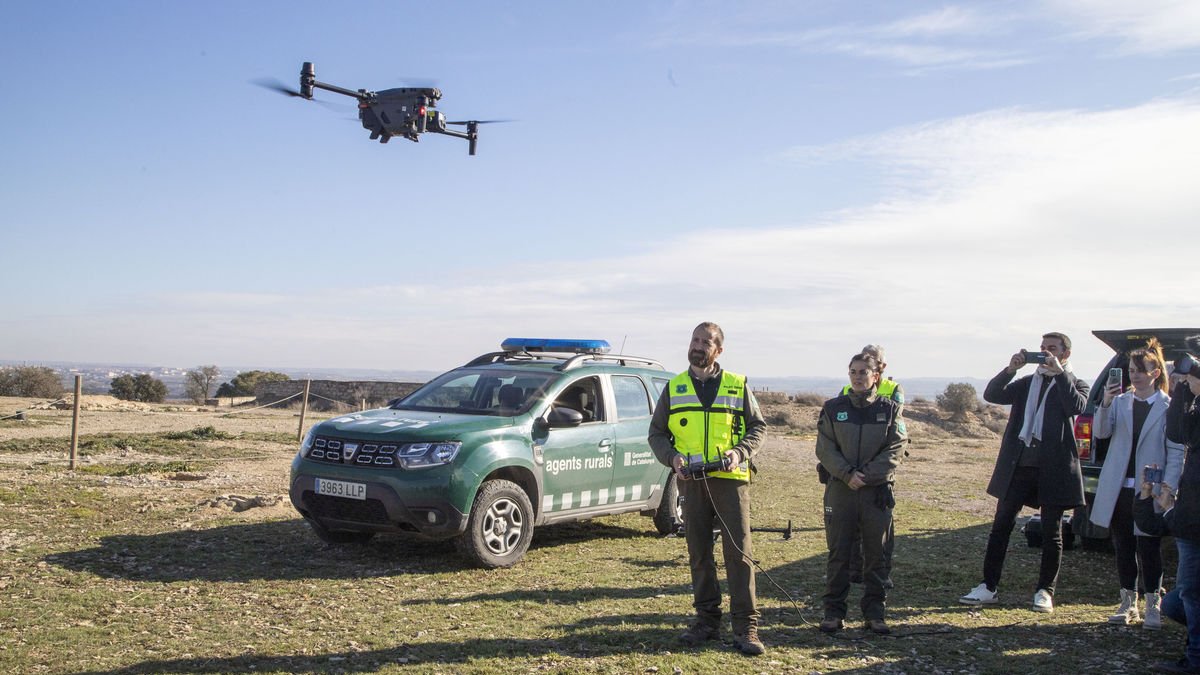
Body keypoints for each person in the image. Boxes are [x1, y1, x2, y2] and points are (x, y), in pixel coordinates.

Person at [649, 322, 769, 656]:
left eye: (706, 342)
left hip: (730, 481)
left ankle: (745, 627)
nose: (698, 346)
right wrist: (671, 458)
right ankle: (706, 621)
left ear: (719, 350)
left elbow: (758, 428)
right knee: (699, 553)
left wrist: (739, 452)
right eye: (695, 340)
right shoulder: (675, 387)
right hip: (692, 483)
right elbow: (656, 433)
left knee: (739, 554)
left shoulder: (736, 385)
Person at [959, 332, 1088, 613]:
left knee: (1052, 532)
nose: (1044, 353)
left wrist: (1059, 374)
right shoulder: (1027, 383)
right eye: (1041, 348)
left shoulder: (1075, 383)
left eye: (1051, 349)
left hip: (1053, 469)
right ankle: (988, 586)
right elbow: (992, 395)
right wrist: (1010, 369)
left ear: (1065, 354)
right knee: (1001, 525)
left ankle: (1045, 591)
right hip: (1018, 465)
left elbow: (1076, 406)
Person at [1089, 339, 1182, 628]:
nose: (1135, 375)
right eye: (1131, 370)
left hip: (1150, 489)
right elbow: (1100, 433)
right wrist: (1105, 403)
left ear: (1156, 373)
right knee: (1123, 545)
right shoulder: (1119, 402)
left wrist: (1169, 487)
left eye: (1141, 370)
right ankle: (1128, 603)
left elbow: (1176, 451)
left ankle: (1153, 604)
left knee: (1149, 546)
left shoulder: (1168, 406)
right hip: (1119, 486)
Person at [814, 352, 907, 634]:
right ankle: (833, 613)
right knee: (838, 553)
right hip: (841, 490)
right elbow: (824, 448)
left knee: (876, 555)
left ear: (875, 376)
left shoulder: (890, 410)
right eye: (853, 372)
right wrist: (847, 474)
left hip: (875, 492)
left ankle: (875, 614)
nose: (857, 377)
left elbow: (897, 448)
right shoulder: (833, 408)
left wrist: (867, 475)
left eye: (863, 372)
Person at [1137, 354, 1200, 674]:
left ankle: (1195, 659)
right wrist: (1184, 392)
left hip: (1194, 519)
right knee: (1180, 599)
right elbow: (1178, 432)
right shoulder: (1193, 403)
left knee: (1192, 595)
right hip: (1190, 519)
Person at [835, 344, 905, 584]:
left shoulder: (893, 390)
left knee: (881, 524)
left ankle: (881, 573)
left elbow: (896, 430)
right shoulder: (847, 389)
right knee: (851, 524)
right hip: (850, 467)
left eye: (875, 361)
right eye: (854, 370)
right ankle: (855, 569)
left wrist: (874, 471)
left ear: (881, 367)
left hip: (879, 468)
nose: (859, 374)